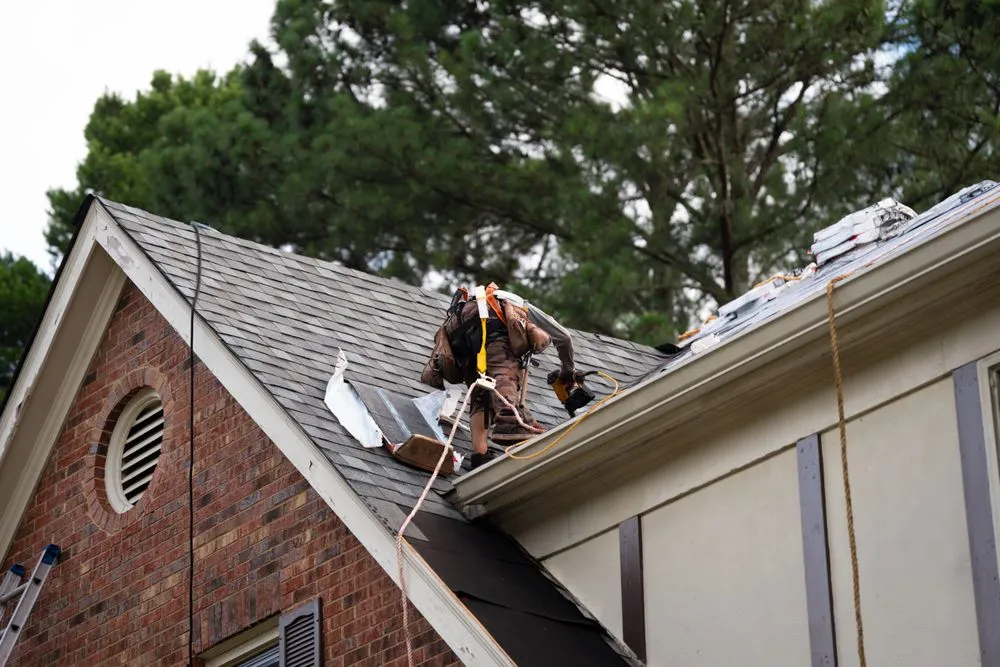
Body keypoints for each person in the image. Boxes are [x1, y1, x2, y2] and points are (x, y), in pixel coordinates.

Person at [420, 283, 578, 469]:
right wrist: (568, 371)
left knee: (481, 393)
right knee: (506, 371)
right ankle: (508, 422)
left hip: (462, 337)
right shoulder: (521, 305)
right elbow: (565, 338)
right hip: (490, 322)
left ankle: (480, 453)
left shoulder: (477, 301)